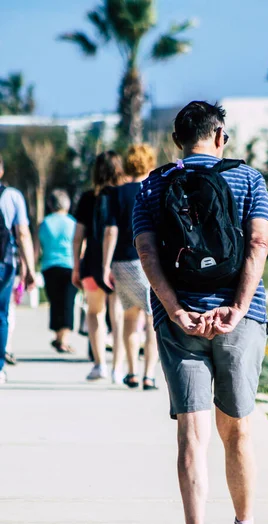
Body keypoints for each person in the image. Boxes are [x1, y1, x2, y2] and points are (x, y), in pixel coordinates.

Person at [133, 101, 268, 524]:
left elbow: (146, 252)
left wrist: (175, 310)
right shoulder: (248, 179)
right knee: (238, 432)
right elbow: (257, 243)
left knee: (191, 435)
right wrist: (235, 309)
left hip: (181, 324)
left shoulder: (152, 184)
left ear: (178, 140)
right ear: (220, 137)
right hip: (241, 319)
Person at [103, 144, 158, 390]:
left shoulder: (117, 193)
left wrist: (106, 265)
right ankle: (149, 374)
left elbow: (111, 230)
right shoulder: (154, 189)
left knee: (129, 317)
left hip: (122, 261)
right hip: (148, 260)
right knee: (153, 319)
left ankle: (132, 372)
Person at [72, 151, 125, 383]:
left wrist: (76, 266)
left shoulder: (87, 198)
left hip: (92, 262)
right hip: (120, 263)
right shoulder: (124, 195)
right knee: (118, 316)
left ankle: (99, 364)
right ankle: (118, 368)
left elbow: (78, 236)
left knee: (94, 313)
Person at [0, 154, 36, 384]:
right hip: (4, 263)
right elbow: (22, 233)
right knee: (1, 315)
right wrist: (29, 267)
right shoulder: (12, 196)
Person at [39, 189, 77, 353]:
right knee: (68, 303)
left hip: (49, 267)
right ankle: (63, 339)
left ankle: (58, 337)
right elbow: (80, 246)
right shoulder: (72, 222)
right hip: (69, 266)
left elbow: (36, 246)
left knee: (55, 302)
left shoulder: (44, 223)